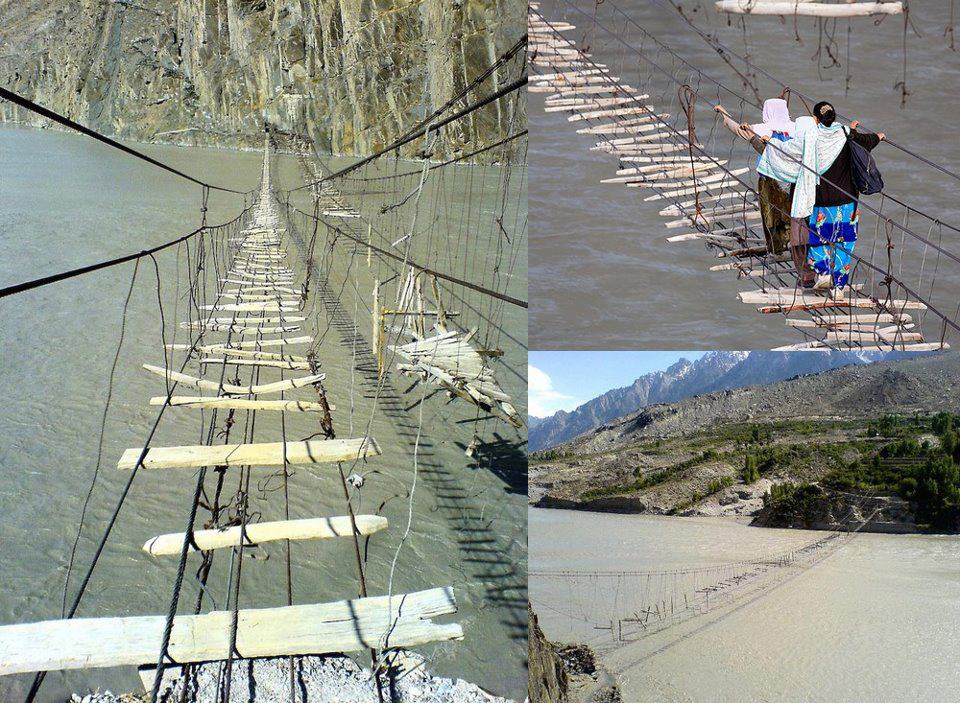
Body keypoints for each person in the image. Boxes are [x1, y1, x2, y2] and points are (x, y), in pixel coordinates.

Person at [792, 101, 885, 291]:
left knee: (819, 239)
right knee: (845, 243)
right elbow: (865, 142)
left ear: (815, 119)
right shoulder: (845, 133)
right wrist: (878, 137)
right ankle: (840, 287)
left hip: (822, 200)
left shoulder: (811, 137)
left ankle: (824, 273)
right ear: (834, 116)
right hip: (847, 200)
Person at [714, 99, 794, 254]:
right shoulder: (797, 128)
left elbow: (736, 128)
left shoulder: (760, 129)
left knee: (770, 214)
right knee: (790, 213)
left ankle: (776, 248)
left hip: (769, 180)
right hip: (792, 179)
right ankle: (794, 244)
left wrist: (724, 113)